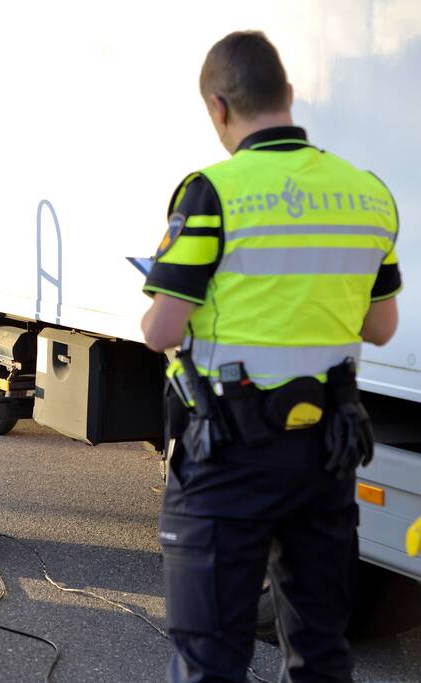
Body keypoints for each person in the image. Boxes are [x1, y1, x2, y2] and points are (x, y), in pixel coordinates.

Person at [141, 31, 400, 682]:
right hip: (324, 454)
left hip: (228, 453)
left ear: (218, 107)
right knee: (320, 652)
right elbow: (381, 326)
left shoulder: (211, 193)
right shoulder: (367, 193)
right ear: (288, 94)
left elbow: (161, 331)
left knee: (210, 658)